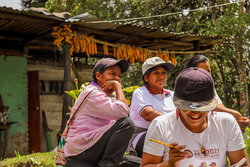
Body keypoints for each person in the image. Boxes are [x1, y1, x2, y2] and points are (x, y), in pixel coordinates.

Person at [141, 67, 250, 166]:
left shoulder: (227, 123)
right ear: (177, 105)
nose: (195, 113)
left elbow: (243, 164)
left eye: (202, 107)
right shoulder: (161, 125)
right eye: (188, 107)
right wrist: (169, 164)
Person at [64, 58, 135, 167]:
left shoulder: (105, 95)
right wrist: (118, 86)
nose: (117, 79)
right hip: (81, 151)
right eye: (112, 74)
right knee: (127, 124)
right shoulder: (93, 93)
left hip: (93, 148)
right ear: (98, 76)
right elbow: (123, 111)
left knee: (137, 163)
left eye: (119, 76)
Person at [185, 54, 250, 132]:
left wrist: (240, 120)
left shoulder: (209, 88)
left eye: (208, 71)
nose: (207, 75)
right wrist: (235, 114)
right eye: (202, 71)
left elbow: (220, 107)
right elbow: (211, 107)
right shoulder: (186, 88)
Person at [128, 57, 175, 157]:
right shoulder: (140, 93)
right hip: (144, 135)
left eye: (164, 72)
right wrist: (176, 123)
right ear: (146, 78)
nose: (161, 76)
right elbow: (149, 114)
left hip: (170, 133)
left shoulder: (172, 95)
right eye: (156, 72)